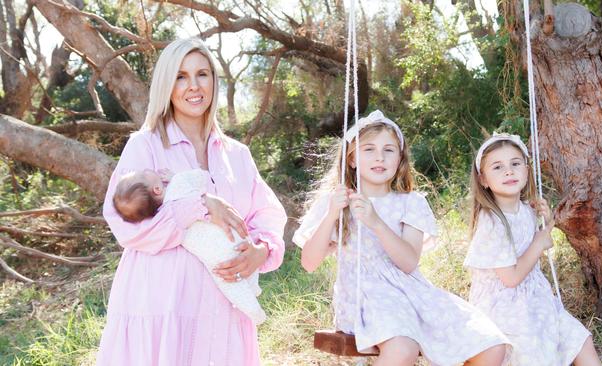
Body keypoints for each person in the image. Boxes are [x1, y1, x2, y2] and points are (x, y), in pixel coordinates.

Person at [97, 37, 287, 366]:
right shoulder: (146, 145)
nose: (193, 86)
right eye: (181, 77)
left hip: (223, 310)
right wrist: (200, 206)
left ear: (214, 79)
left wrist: (261, 251)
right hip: (162, 308)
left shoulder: (237, 155)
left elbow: (267, 214)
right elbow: (123, 223)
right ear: (166, 86)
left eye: (202, 74)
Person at [293, 110, 509, 366]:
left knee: (491, 344)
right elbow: (309, 262)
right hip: (367, 298)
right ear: (351, 160)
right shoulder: (338, 203)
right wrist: (330, 216)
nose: (380, 157)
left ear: (400, 159)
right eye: (369, 149)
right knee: (403, 347)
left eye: (389, 150)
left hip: (414, 295)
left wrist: (376, 222)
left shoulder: (412, 204)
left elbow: (408, 263)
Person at [464, 133, 601, 365]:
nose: (509, 171)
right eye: (497, 167)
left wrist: (546, 224)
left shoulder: (527, 210)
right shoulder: (492, 221)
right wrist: (538, 242)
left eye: (515, 164)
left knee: (579, 339)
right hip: (504, 305)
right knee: (534, 349)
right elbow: (510, 278)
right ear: (484, 179)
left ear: (527, 172)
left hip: (536, 297)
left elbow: (541, 243)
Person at [112, 168, 265, 325]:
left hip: (209, 253)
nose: (145, 170)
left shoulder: (163, 218)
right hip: (228, 237)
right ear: (157, 189)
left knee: (226, 279)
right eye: (143, 174)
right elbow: (198, 177)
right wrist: (176, 176)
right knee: (235, 257)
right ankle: (253, 288)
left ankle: (253, 309)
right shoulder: (177, 187)